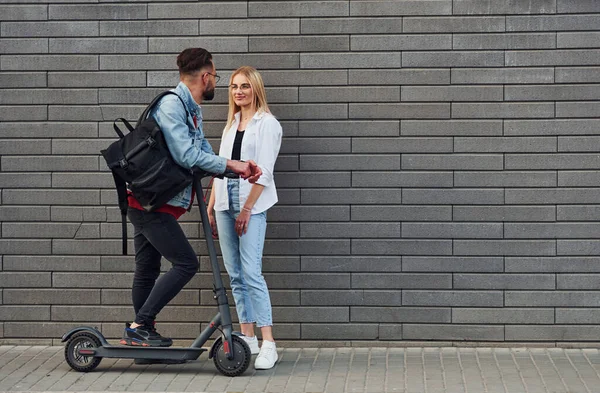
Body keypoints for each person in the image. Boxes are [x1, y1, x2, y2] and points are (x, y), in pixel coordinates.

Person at [120, 48, 262, 350]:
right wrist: (231, 165)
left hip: (153, 203)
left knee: (147, 267)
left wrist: (237, 171)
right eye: (216, 77)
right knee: (186, 263)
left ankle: (141, 335)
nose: (216, 84)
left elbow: (203, 155)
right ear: (206, 76)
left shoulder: (190, 108)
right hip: (148, 204)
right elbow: (186, 155)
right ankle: (139, 326)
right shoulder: (173, 106)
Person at [208, 66, 282, 370]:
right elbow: (219, 168)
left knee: (252, 272)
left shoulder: (268, 124)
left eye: (245, 87)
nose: (239, 91)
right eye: (235, 87)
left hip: (251, 205)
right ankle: (248, 337)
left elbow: (264, 172)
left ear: (255, 89)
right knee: (236, 274)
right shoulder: (231, 125)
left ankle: (269, 343)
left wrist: (248, 209)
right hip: (226, 205)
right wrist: (211, 206)